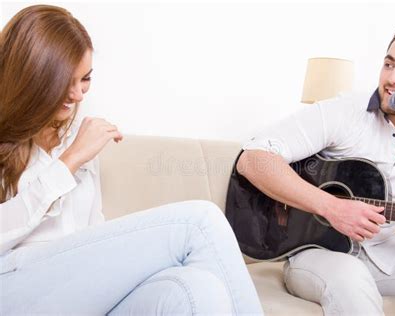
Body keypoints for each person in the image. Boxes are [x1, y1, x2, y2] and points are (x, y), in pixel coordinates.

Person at [0, 5, 263, 315]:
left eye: (85, 79)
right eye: (64, 82)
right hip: (14, 291)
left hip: (76, 294)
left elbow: (90, 234)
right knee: (200, 223)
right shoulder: (63, 149)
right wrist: (68, 163)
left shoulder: (76, 140)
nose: (78, 95)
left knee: (196, 287)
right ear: (32, 78)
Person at [237, 19, 395, 315]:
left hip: (387, 256)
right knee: (352, 279)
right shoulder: (344, 111)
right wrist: (331, 207)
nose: (393, 78)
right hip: (317, 255)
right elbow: (254, 158)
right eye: (389, 64)